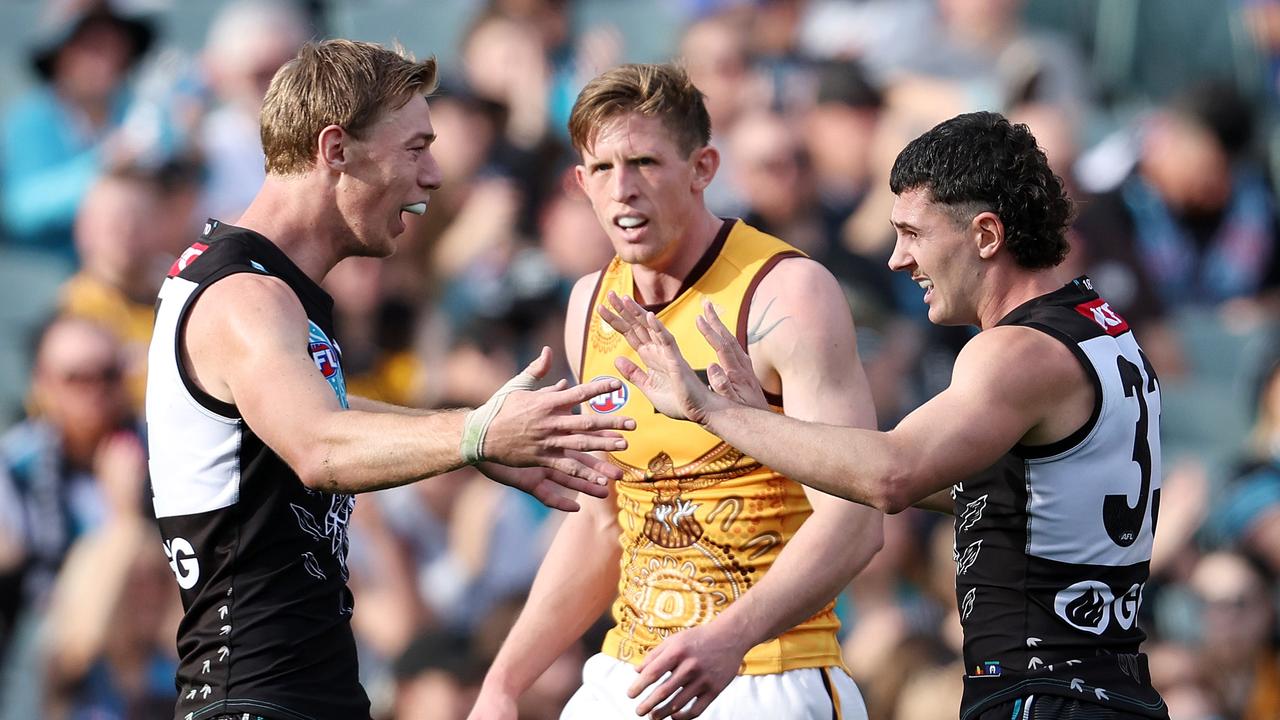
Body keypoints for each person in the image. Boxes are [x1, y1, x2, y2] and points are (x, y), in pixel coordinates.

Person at [599, 111, 1169, 719]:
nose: (897, 259)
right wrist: (763, 425)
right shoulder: (1098, 326)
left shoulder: (1014, 353)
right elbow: (1008, 494)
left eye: (913, 234)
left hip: (1046, 697)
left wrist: (707, 410)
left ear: (985, 235)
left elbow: (891, 476)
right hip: (1108, 691)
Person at [145, 39, 636, 720]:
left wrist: (491, 439)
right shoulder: (243, 297)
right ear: (335, 149)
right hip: (253, 701)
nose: (434, 175)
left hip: (300, 695)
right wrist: (474, 434)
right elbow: (320, 448)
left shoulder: (263, 286)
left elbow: (328, 413)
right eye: (415, 148)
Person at [469, 63, 883, 720]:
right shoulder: (589, 303)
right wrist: (504, 683)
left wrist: (731, 639)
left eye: (645, 162)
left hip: (766, 670)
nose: (623, 189)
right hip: (628, 674)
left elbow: (856, 523)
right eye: (601, 169)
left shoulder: (785, 294)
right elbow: (603, 520)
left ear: (703, 167)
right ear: (579, 183)